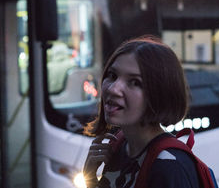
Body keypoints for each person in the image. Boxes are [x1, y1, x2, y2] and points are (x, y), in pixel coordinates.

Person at [83, 35, 198, 188]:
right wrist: (90, 178)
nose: (113, 89)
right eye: (112, 75)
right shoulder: (121, 146)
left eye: (135, 82)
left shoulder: (168, 167)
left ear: (160, 94)